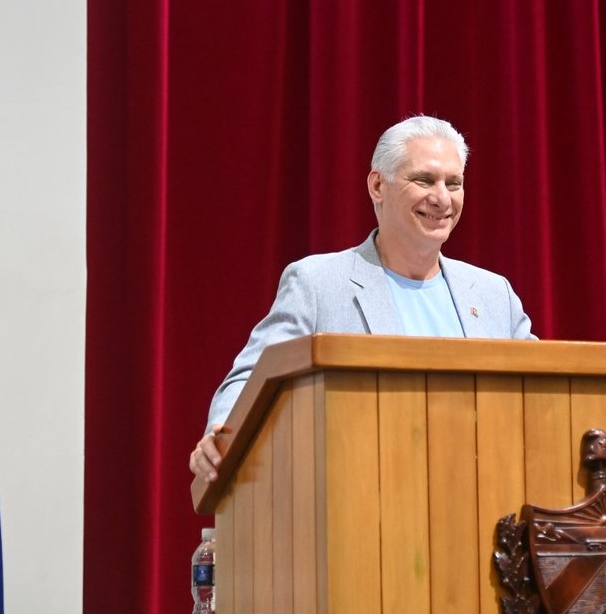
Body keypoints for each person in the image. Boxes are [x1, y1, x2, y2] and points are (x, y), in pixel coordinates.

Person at [189, 115, 536, 481]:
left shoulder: (493, 293)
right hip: (365, 492)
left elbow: (543, 392)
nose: (442, 198)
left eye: (454, 183)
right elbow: (252, 378)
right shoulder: (317, 283)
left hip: (482, 493)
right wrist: (222, 436)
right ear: (377, 185)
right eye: (424, 180)